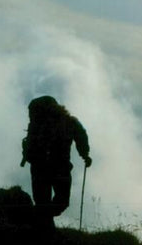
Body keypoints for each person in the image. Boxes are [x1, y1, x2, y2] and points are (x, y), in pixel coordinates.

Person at [20, 95, 92, 230]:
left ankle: (38, 221)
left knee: (43, 202)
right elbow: (81, 136)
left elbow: (80, 136)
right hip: (59, 168)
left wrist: (85, 154)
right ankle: (44, 227)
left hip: (40, 167)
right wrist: (85, 155)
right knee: (60, 202)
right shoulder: (69, 122)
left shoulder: (39, 123)